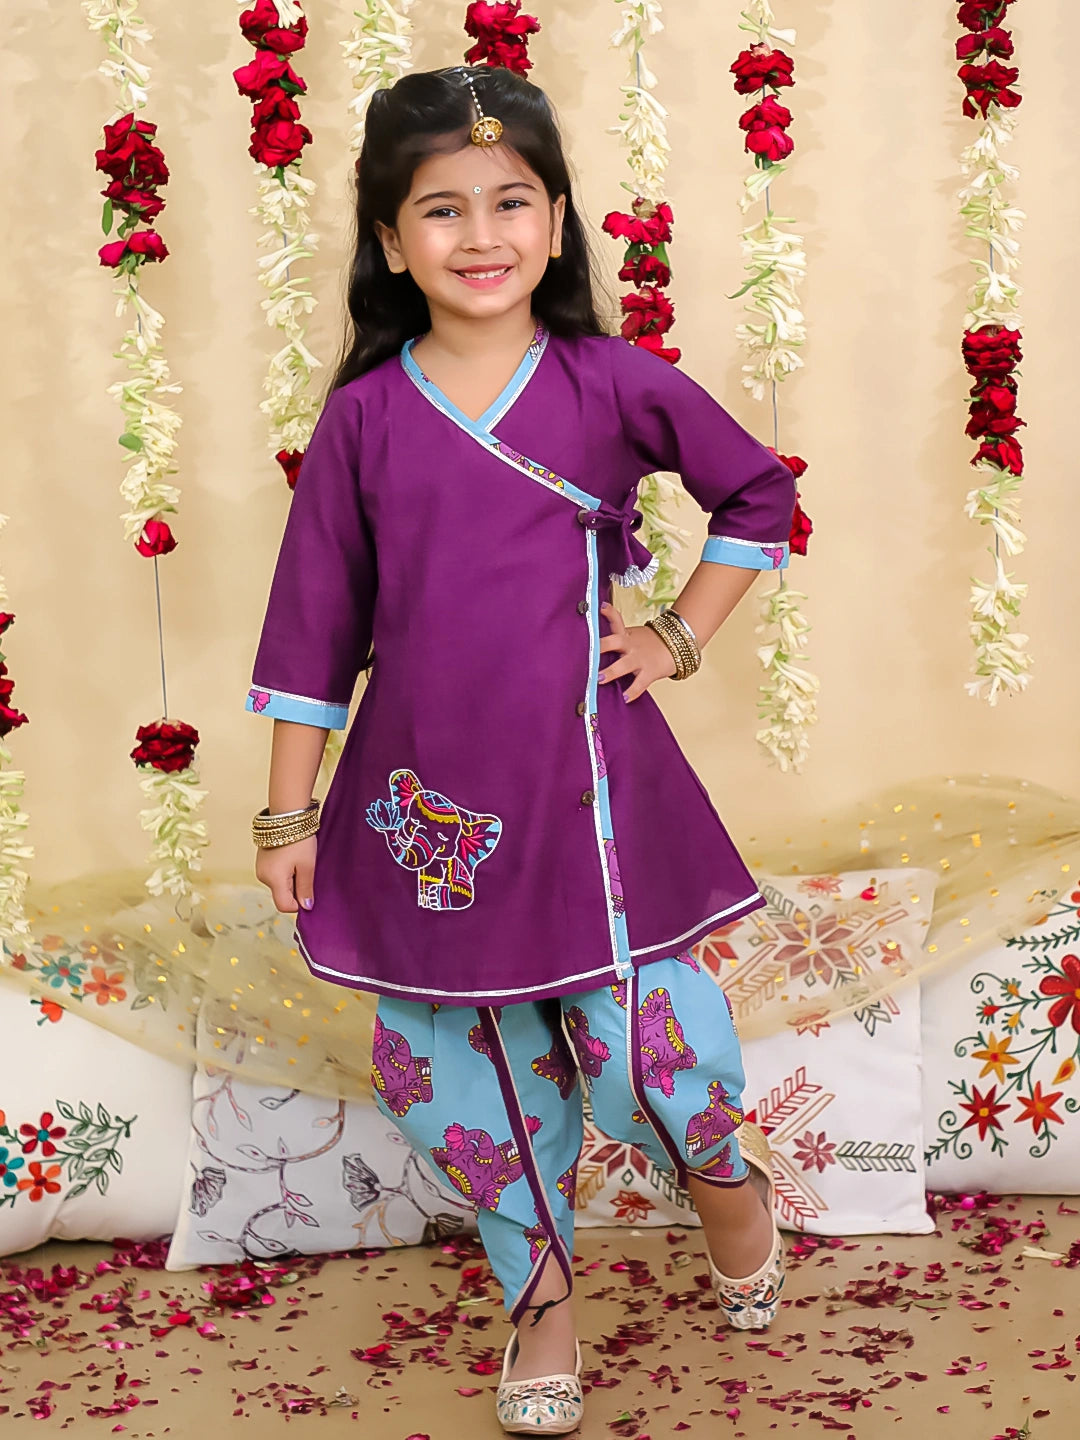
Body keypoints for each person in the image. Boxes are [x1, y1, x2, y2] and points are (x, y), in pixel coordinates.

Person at [247, 64, 796, 1438]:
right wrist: (287, 818)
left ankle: (723, 1181)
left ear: (555, 223)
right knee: (465, 1071)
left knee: (646, 1052)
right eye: (442, 209)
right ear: (390, 241)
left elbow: (757, 493)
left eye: (511, 201)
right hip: (424, 806)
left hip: (592, 786)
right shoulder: (366, 417)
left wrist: (677, 633)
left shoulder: (610, 381)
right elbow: (314, 626)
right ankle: (541, 1300)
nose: (480, 235)